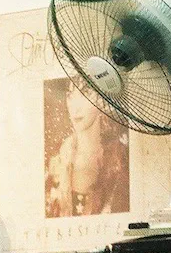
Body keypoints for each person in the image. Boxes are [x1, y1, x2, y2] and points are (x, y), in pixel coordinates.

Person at [45, 83, 130, 217]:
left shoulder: (120, 158)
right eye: (70, 95)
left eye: (85, 93)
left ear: (102, 99)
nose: (75, 107)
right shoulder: (58, 162)